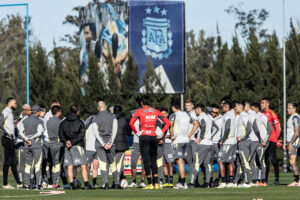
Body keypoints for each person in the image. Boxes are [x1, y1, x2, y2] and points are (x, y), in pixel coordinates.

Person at [129, 96, 171, 190]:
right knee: (153, 159)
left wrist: (137, 133)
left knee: (146, 160)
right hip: (153, 137)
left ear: (141, 103)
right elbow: (168, 123)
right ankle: (156, 183)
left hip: (144, 137)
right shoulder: (156, 111)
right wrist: (161, 133)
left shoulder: (139, 111)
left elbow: (131, 123)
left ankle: (150, 183)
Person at [59, 105, 93, 190]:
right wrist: (72, 142)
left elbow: (60, 134)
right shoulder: (80, 122)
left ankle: (71, 184)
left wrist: (66, 141)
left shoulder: (63, 122)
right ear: (77, 112)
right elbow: (81, 135)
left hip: (67, 146)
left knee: (69, 166)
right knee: (83, 165)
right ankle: (86, 184)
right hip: (77, 145)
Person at [91, 101, 120, 189]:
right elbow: (115, 130)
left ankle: (106, 184)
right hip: (110, 142)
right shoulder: (112, 116)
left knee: (103, 163)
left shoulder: (95, 117)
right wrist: (110, 142)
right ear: (106, 106)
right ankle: (116, 183)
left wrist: (103, 144)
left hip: (100, 143)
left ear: (98, 108)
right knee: (112, 163)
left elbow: (95, 133)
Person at [18, 105, 45, 190]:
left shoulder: (24, 120)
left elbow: (20, 132)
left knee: (27, 165)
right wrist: (31, 138)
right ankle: (38, 185)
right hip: (36, 144)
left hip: (27, 144)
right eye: (39, 111)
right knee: (37, 165)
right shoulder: (40, 120)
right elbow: (39, 132)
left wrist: (26, 139)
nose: (40, 113)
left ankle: (28, 185)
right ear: (37, 112)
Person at [189, 104, 213, 188]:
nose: (195, 111)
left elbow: (203, 126)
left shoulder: (201, 116)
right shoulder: (208, 116)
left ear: (199, 109)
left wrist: (201, 138)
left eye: (195, 110)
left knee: (196, 162)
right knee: (207, 164)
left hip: (203, 143)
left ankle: (192, 183)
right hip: (209, 143)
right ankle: (208, 183)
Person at [0, 97, 22, 189]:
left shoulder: (10, 112)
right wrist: (4, 132)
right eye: (15, 103)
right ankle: (5, 184)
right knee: (8, 161)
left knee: (13, 162)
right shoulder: (5, 111)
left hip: (10, 140)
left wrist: (17, 120)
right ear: (10, 103)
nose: (16, 105)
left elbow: (9, 124)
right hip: (7, 139)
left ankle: (19, 183)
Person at [169, 102, 191, 189]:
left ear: (173, 107)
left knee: (179, 161)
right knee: (182, 161)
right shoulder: (186, 114)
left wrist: (172, 136)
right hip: (186, 140)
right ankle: (179, 182)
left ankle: (183, 182)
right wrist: (189, 135)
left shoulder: (173, 114)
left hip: (178, 140)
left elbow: (170, 126)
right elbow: (196, 124)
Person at [251, 102, 272, 187]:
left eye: (252, 109)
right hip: (256, 141)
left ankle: (262, 180)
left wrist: (265, 141)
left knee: (260, 160)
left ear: (256, 109)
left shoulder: (262, 117)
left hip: (263, 142)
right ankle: (258, 180)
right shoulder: (252, 117)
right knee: (257, 160)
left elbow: (269, 130)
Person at [261, 97, 281, 185]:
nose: (261, 105)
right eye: (261, 103)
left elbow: (278, 128)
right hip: (264, 141)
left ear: (267, 104)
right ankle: (265, 179)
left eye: (263, 103)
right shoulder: (261, 114)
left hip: (272, 139)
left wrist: (276, 139)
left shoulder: (272, 113)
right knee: (265, 160)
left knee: (273, 159)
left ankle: (276, 179)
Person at [217, 101, 237, 188]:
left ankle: (224, 181)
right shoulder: (233, 114)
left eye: (223, 105)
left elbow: (228, 127)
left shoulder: (228, 115)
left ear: (227, 106)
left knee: (220, 160)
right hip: (233, 141)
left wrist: (223, 139)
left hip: (228, 141)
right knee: (229, 161)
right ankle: (231, 181)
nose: (222, 107)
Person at [232, 101, 252, 188]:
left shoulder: (244, 116)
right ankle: (235, 182)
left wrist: (243, 138)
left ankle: (247, 182)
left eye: (236, 106)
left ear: (240, 107)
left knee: (244, 162)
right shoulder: (240, 116)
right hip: (240, 142)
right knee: (239, 163)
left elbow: (249, 129)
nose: (235, 108)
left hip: (244, 142)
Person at [113, 105, 131, 185]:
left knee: (112, 164)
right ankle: (116, 181)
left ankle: (110, 182)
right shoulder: (126, 119)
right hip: (122, 144)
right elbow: (129, 131)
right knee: (119, 164)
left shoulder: (111, 119)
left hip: (112, 144)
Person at [47, 105, 64, 189]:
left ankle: (53, 182)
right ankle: (55, 183)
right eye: (60, 111)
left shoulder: (48, 121)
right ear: (58, 112)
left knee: (54, 164)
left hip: (51, 144)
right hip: (58, 144)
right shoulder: (60, 122)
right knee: (57, 164)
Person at [128, 109, 146, 188]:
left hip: (145, 143)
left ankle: (142, 181)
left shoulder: (145, 121)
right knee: (133, 162)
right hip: (136, 144)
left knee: (144, 163)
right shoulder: (134, 121)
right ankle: (134, 181)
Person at [184, 99, 200, 187]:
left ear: (192, 106)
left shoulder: (193, 114)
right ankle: (193, 181)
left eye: (189, 105)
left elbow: (196, 124)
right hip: (188, 140)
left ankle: (194, 181)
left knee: (194, 161)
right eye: (186, 105)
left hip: (193, 140)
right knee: (189, 161)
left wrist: (190, 135)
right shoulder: (186, 114)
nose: (187, 107)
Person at [283, 103, 300, 186]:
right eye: (287, 108)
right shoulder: (291, 117)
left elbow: (297, 132)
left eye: (289, 108)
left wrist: (290, 143)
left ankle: (297, 181)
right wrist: (286, 143)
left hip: (294, 142)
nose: (287, 110)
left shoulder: (295, 117)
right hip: (290, 142)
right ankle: (297, 180)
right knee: (291, 160)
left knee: (292, 160)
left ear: (294, 109)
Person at [244, 101, 260, 187]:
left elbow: (255, 127)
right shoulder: (247, 114)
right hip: (251, 139)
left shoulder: (251, 114)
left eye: (244, 106)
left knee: (249, 160)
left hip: (253, 139)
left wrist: (260, 138)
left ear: (248, 106)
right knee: (251, 161)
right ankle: (254, 181)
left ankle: (253, 181)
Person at [15, 104, 31, 187]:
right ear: (24, 110)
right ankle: (20, 182)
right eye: (28, 110)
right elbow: (18, 131)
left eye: (30, 110)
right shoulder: (22, 119)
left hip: (27, 143)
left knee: (28, 163)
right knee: (21, 163)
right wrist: (25, 138)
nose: (30, 111)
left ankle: (29, 181)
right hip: (20, 143)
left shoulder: (29, 118)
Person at [85, 112, 99, 188]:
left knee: (95, 166)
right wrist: (91, 117)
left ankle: (94, 182)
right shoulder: (88, 126)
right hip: (89, 148)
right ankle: (86, 182)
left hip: (97, 148)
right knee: (88, 166)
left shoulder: (98, 126)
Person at [160, 108, 174, 188]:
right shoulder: (159, 123)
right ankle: (166, 180)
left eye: (164, 114)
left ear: (167, 114)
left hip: (168, 144)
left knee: (170, 162)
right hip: (161, 144)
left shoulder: (170, 122)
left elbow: (173, 134)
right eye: (161, 114)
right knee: (163, 163)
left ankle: (171, 180)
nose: (163, 116)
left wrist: (168, 136)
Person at [210, 104, 222, 186]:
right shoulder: (209, 118)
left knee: (220, 161)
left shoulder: (223, 118)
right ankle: (209, 180)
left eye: (213, 110)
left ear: (217, 110)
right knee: (208, 162)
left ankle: (217, 179)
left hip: (218, 143)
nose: (212, 112)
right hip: (209, 143)